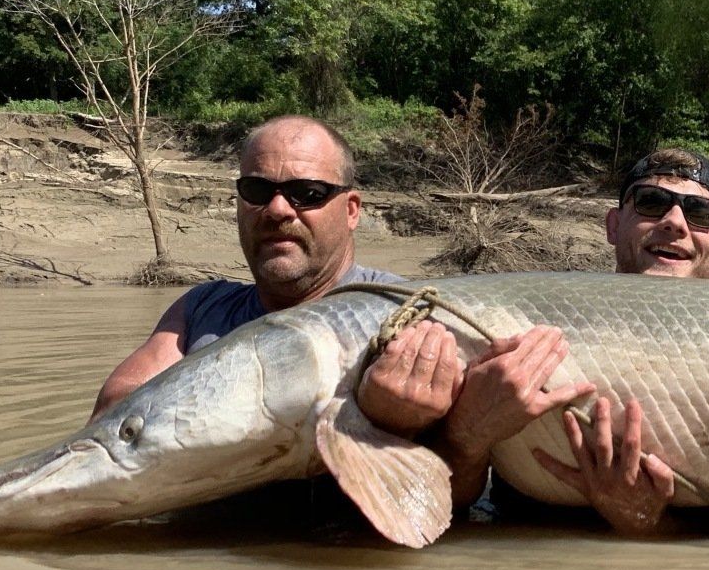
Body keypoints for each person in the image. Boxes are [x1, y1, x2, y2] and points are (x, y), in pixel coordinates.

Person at [433, 148, 709, 539]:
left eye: (699, 214)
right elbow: (449, 512)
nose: (675, 222)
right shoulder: (520, 328)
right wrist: (465, 437)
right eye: (651, 202)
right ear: (613, 225)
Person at [91, 115, 452, 441]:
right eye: (257, 191)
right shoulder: (201, 307)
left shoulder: (411, 315)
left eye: (308, 193)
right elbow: (115, 407)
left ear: (352, 210)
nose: (277, 209)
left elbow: (462, 484)